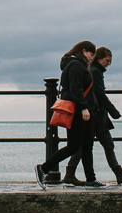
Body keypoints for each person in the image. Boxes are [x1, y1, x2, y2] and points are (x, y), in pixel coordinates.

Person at [62, 47, 122, 185]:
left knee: (102, 144)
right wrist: (113, 111)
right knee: (90, 146)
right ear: (98, 58)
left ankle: (116, 172)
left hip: (97, 114)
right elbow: (99, 94)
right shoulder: (94, 72)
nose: (109, 63)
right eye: (107, 60)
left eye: (110, 61)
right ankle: (72, 173)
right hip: (95, 115)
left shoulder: (95, 71)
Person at [35, 40, 105, 188]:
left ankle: (91, 179)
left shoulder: (76, 65)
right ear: (84, 51)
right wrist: (84, 108)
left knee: (87, 146)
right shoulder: (75, 65)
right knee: (74, 146)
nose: (92, 58)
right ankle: (44, 168)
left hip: (85, 111)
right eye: (91, 54)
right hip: (78, 112)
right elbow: (75, 89)